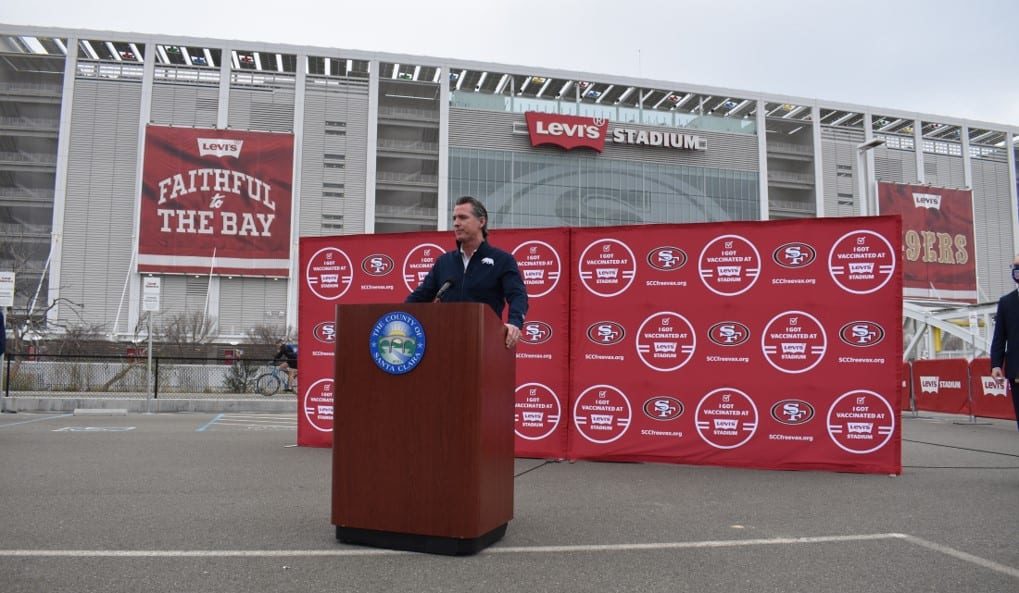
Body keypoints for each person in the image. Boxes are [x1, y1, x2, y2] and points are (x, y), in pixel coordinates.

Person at [406, 196, 528, 349]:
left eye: (463, 217)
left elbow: (518, 296)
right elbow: (419, 297)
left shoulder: (502, 260)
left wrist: (514, 323)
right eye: (454, 218)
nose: (456, 223)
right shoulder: (444, 262)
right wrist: (395, 316)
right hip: (445, 345)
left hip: (485, 344)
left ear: (481, 222)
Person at [990, 254, 1019, 430]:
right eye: (1014, 266)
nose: (1016, 270)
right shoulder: (1006, 302)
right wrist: (996, 365)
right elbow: (999, 337)